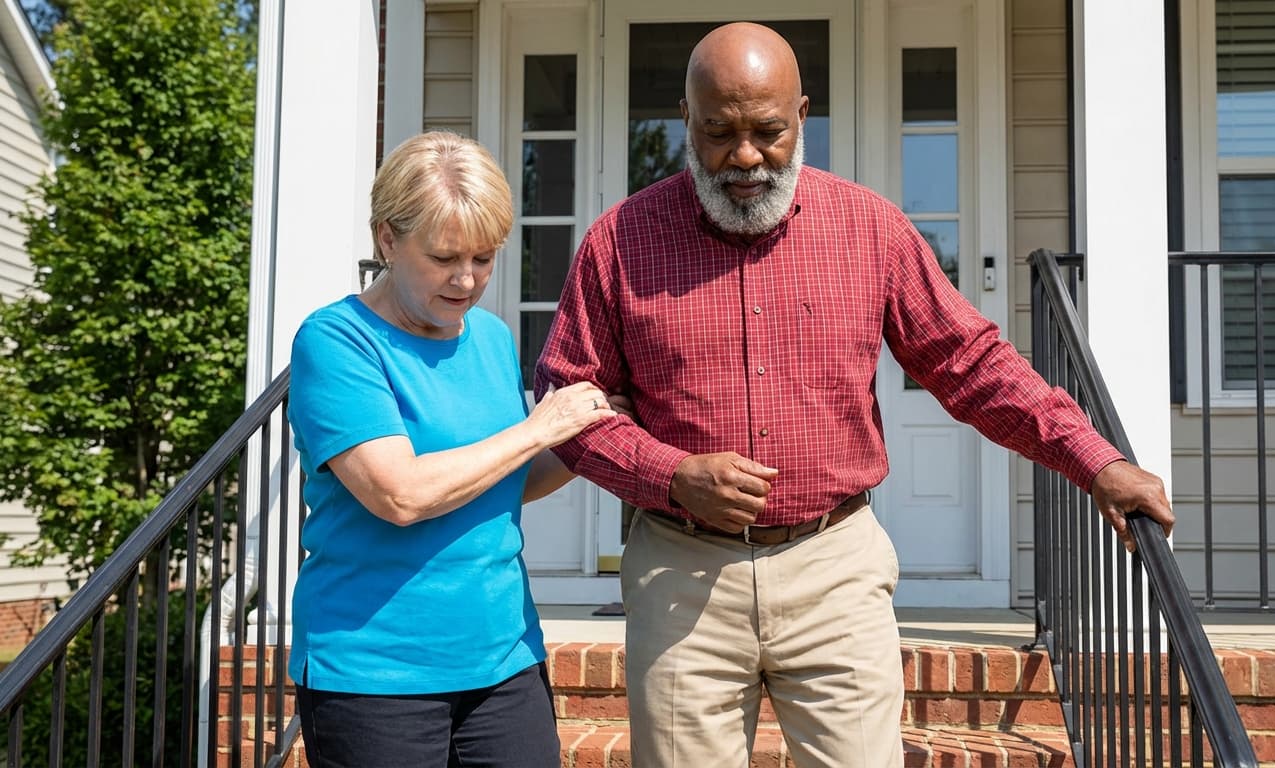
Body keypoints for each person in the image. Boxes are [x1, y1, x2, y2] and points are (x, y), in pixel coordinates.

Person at [533, 22, 1176, 768]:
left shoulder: (870, 230)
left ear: (803, 116)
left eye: (767, 131)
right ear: (686, 120)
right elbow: (567, 405)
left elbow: (971, 363)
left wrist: (1095, 461)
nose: (744, 156)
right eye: (718, 132)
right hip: (683, 575)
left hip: (833, 568)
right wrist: (669, 475)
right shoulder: (620, 243)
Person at [287, 131, 619, 768]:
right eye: (443, 258)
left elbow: (505, 478)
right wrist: (537, 428)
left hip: (504, 657)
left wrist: (591, 433)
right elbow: (400, 494)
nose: (467, 280)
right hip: (376, 672)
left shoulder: (490, 338)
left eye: (484, 258)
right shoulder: (337, 341)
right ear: (387, 237)